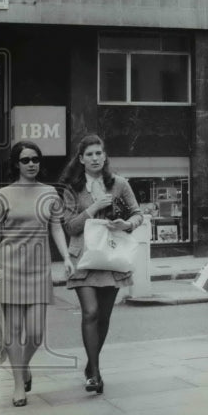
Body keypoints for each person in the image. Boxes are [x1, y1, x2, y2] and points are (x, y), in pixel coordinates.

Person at [59, 134, 143, 394]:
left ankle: (91, 364)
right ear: (81, 159)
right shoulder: (71, 188)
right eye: (90, 154)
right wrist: (93, 208)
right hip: (83, 257)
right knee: (91, 312)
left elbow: (138, 214)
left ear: (104, 156)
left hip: (111, 256)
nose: (95, 158)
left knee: (104, 317)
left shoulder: (119, 184)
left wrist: (127, 224)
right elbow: (70, 226)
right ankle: (95, 374)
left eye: (99, 153)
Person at [0, 141, 72, 407]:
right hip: (9, 266)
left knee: (36, 334)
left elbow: (57, 229)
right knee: (13, 331)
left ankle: (23, 366)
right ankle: (18, 385)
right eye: (25, 160)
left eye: (35, 159)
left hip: (39, 267)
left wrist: (68, 257)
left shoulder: (50, 193)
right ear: (16, 164)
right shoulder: (3, 194)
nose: (31, 164)